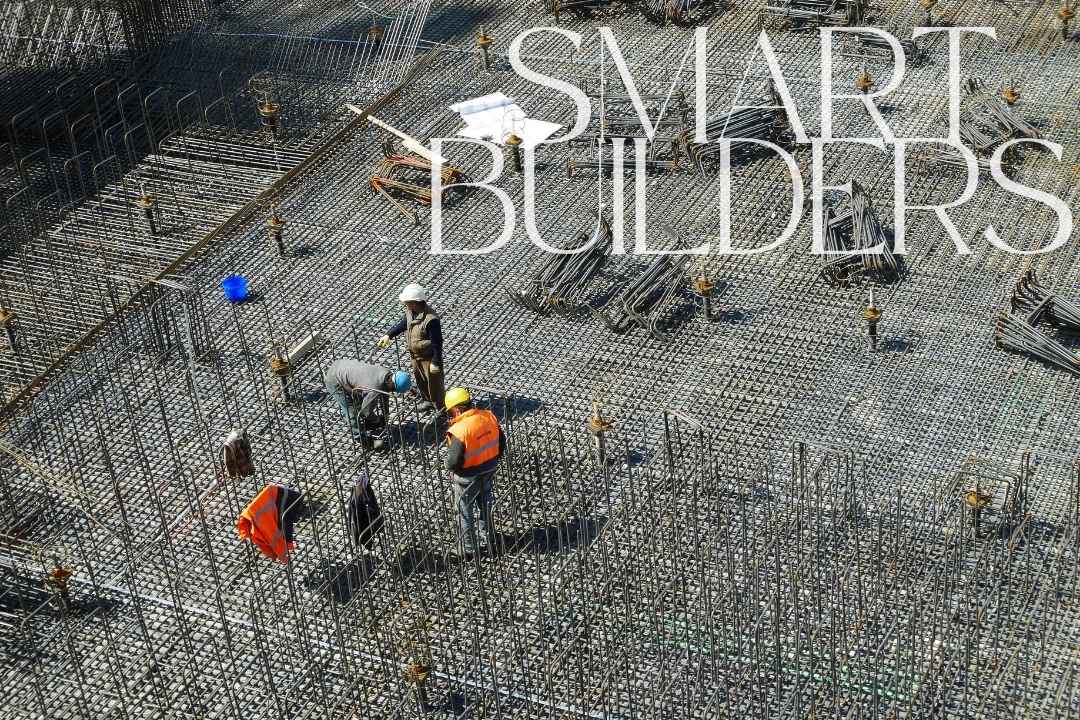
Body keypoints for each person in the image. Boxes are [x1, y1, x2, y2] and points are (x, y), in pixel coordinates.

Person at [443, 387, 505, 556]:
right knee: (486, 505)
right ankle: (490, 539)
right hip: (489, 469)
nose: (451, 415)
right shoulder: (488, 416)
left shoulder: (460, 430)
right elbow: (502, 443)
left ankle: (468, 549)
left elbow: (454, 460)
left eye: (450, 412)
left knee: (464, 510)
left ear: (456, 409)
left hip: (467, 477)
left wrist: (448, 466)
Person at [377, 283, 444, 415]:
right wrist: (389, 335)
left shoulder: (431, 319)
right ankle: (427, 401)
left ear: (415, 302)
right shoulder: (410, 312)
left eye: (407, 302)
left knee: (434, 384)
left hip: (429, 358)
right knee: (421, 380)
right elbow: (403, 324)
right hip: (416, 356)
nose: (405, 304)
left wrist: (436, 361)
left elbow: (437, 342)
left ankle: (440, 407)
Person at [324, 359, 411, 450]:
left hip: (341, 364)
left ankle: (366, 424)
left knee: (360, 403)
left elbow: (385, 393)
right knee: (352, 412)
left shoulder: (386, 373)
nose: (392, 391)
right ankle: (362, 440)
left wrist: (386, 414)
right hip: (334, 380)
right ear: (391, 382)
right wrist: (376, 420)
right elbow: (366, 412)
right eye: (393, 389)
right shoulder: (374, 389)